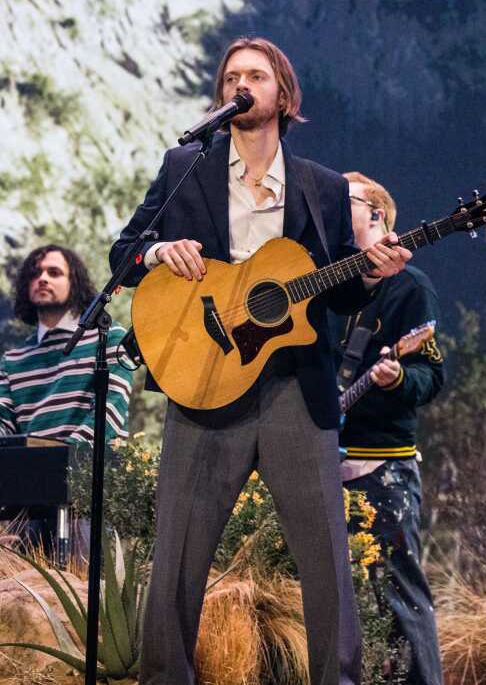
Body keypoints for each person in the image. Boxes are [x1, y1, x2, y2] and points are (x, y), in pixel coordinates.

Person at [108, 37, 411, 685]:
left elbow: (337, 289)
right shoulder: (185, 167)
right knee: (179, 558)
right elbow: (123, 253)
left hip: (292, 390)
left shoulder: (321, 188)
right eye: (231, 77)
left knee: (326, 560)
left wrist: (373, 274)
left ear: (283, 95)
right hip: (204, 382)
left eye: (255, 75)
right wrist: (158, 256)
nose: (240, 84)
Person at [336, 172, 445, 685]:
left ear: (375, 214)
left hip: (381, 467)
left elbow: (431, 374)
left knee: (399, 596)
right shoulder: (328, 281)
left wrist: (398, 375)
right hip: (319, 465)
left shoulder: (410, 287)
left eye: (344, 202)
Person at [1, 244, 132, 443]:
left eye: (54, 273)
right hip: (28, 469)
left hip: (91, 470)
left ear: (75, 283)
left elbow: (109, 414)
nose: (42, 279)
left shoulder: (109, 337)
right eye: (35, 274)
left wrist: (61, 459)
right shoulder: (12, 361)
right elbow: (4, 427)